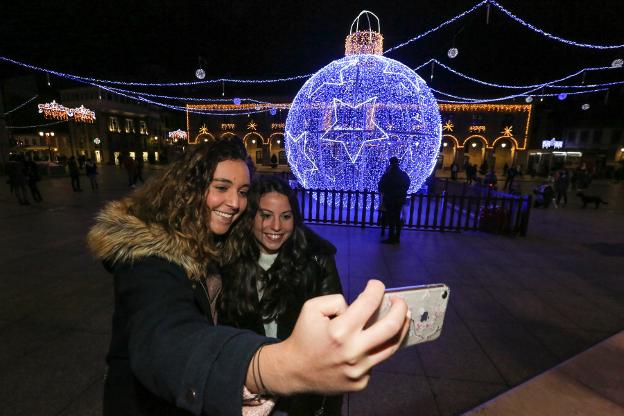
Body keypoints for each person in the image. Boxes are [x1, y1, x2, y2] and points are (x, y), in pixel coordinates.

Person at [87, 137, 410, 416]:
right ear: (190, 187)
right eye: (222, 187)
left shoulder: (216, 243)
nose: (235, 203)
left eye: (242, 191)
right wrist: (280, 365)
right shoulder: (149, 259)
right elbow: (167, 340)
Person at [220, 175, 344, 415]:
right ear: (251, 217)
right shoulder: (229, 260)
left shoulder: (316, 260)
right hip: (250, 389)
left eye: (285, 217)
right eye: (266, 215)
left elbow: (334, 332)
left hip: (301, 391)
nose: (276, 226)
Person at [378, 157, 410, 244]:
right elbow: (407, 185)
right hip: (399, 200)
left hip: (390, 199)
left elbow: (381, 186)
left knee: (391, 219)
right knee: (397, 217)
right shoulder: (403, 174)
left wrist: (387, 193)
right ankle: (397, 237)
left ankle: (391, 237)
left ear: (390, 163)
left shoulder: (387, 174)